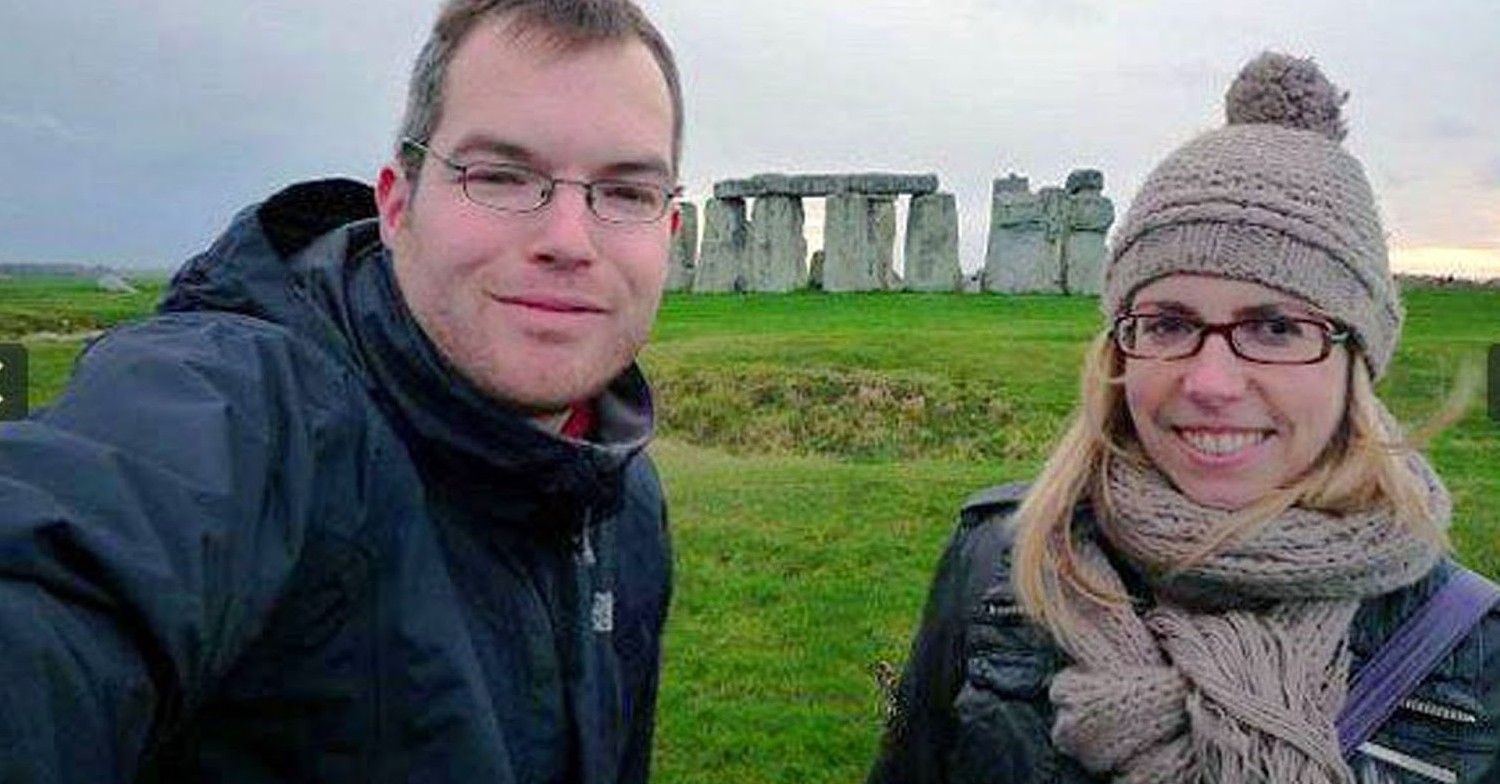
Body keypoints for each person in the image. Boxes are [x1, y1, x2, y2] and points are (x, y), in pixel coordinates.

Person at [0, 0, 684, 781]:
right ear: (397, 205)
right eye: (499, 175)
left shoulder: (621, 496)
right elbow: (61, 565)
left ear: (667, 235)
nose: (568, 240)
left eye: (626, 192)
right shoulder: (246, 405)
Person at [869, 52, 1499, 784]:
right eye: (1168, 324)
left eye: (1274, 328)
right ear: (1119, 348)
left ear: (1355, 357)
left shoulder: (1474, 649)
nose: (1210, 382)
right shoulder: (1000, 565)